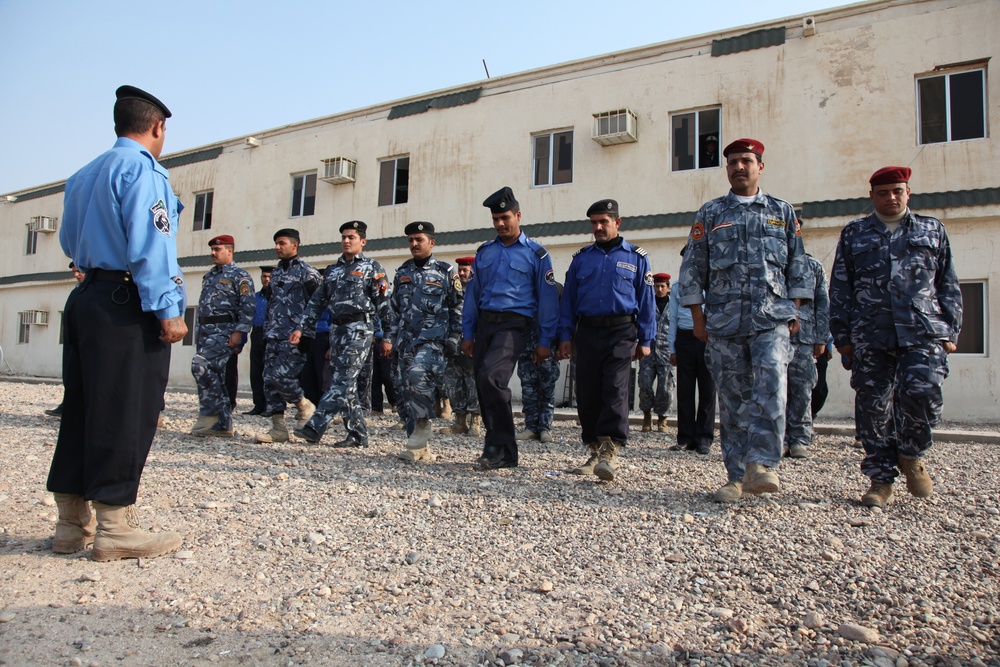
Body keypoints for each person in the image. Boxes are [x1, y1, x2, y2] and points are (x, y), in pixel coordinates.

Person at [47, 85, 186, 561]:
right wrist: (168, 309)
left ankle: (70, 522)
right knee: (125, 410)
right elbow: (152, 245)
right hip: (126, 303)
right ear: (157, 126)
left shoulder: (83, 174)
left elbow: (69, 241)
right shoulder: (145, 171)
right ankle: (114, 527)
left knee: (83, 406)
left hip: (86, 297)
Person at [677, 138, 811, 503]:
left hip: (771, 319)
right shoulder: (711, 213)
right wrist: (697, 317)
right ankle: (736, 476)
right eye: (733, 161)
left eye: (747, 161)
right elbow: (693, 268)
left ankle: (763, 465)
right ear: (727, 169)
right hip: (724, 322)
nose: (739, 167)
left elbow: (798, 264)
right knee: (734, 403)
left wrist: (795, 308)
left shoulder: (781, 212)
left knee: (772, 386)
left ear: (760, 167)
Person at [829, 166, 962, 508]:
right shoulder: (855, 233)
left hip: (922, 331)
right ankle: (880, 478)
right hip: (870, 332)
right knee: (872, 406)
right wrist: (841, 335)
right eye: (884, 192)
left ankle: (911, 453)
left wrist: (951, 329)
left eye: (897, 191)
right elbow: (841, 286)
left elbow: (947, 282)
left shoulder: (931, 230)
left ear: (908, 193)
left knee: (924, 392)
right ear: (872, 196)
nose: (891, 198)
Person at [557, 199, 656, 482]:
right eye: (594, 222)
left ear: (617, 222)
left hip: (621, 332)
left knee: (615, 389)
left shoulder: (637, 257)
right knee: (587, 393)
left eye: (604, 221)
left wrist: (646, 338)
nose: (598, 227)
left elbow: (646, 301)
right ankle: (593, 448)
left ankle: (609, 450)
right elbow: (569, 303)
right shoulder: (581, 259)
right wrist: (565, 336)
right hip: (586, 332)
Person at [461, 187, 559, 470]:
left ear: (518, 215)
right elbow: (473, 295)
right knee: (482, 380)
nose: (501, 224)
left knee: (492, 377)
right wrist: (468, 333)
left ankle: (499, 445)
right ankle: (500, 449)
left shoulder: (537, 254)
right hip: (485, 324)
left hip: (515, 324)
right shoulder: (485, 252)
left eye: (505, 217)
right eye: (495, 219)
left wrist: (545, 340)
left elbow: (548, 300)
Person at [292, 221, 392, 447]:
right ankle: (357, 435)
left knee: (342, 380)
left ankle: (315, 426)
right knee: (345, 385)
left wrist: (387, 336)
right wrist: (302, 328)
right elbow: (316, 303)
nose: (346, 241)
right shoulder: (333, 271)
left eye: (352, 237)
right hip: (336, 331)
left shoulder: (372, 268)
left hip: (360, 329)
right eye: (344, 237)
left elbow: (384, 304)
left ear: (362, 242)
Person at [385, 222, 463, 461]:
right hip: (405, 342)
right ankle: (420, 448)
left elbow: (458, 306)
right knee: (403, 389)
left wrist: (454, 337)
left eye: (419, 239)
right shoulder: (402, 272)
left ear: (432, 242)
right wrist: (389, 338)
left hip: (433, 341)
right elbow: (394, 310)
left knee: (418, 377)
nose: (414, 244)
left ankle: (421, 427)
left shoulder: (445, 271)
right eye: (410, 240)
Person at [255, 229, 321, 443]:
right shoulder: (275, 274)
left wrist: (306, 332)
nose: (277, 247)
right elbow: (271, 305)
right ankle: (278, 428)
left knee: (281, 377)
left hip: (294, 335)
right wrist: (266, 330)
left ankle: (304, 405)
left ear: (295, 245)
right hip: (273, 334)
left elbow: (318, 304)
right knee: (268, 380)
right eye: (276, 243)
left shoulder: (307, 273)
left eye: (282, 243)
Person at [190, 235, 255, 437]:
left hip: (224, 331)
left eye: (217, 249)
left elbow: (248, 307)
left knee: (199, 365)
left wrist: (240, 332)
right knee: (216, 375)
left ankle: (208, 412)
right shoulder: (208, 276)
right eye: (212, 249)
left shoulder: (240, 276)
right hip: (206, 331)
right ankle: (223, 424)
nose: (213, 253)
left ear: (230, 251)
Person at [783, 251, 829, 458]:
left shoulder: (813, 266)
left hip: (804, 338)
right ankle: (779, 437)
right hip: (773, 336)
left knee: (802, 388)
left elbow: (823, 303)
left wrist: (822, 338)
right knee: (775, 389)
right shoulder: (770, 262)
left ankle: (800, 438)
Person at [667, 268, 716, 454]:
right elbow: (672, 319)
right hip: (685, 338)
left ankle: (704, 438)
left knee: (708, 390)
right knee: (685, 390)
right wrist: (672, 348)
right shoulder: (678, 287)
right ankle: (685, 438)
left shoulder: (712, 285)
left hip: (708, 338)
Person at [516, 281, 562, 444]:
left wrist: (562, 343)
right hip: (525, 347)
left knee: (547, 389)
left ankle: (545, 428)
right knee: (528, 389)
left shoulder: (555, 288)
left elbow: (563, 317)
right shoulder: (522, 287)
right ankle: (531, 428)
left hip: (548, 347)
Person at [44, 262, 87, 418]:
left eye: (79, 271)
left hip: (86, 343)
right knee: (71, 376)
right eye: (74, 272)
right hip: (72, 343)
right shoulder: (78, 290)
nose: (76, 275)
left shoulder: (92, 291)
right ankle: (67, 406)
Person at [445, 256, 481, 436]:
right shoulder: (452, 291)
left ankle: (475, 421)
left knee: (472, 381)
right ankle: (459, 420)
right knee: (453, 381)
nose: (461, 273)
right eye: (459, 269)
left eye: (465, 270)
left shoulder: (479, 291)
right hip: (452, 344)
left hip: (471, 342)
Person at [638, 273, 673, 433]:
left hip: (667, 352)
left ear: (668, 287)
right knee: (645, 385)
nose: (659, 289)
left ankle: (662, 419)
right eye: (656, 286)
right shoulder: (647, 304)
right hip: (648, 351)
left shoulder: (674, 305)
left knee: (665, 388)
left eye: (662, 286)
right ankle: (647, 415)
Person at [244, 266, 273, 415]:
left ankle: (271, 406)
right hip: (256, 334)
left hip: (271, 336)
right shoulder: (255, 297)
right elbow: (246, 317)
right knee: (256, 371)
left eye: (269, 276)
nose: (266, 279)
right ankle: (258, 404)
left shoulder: (277, 297)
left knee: (270, 372)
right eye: (264, 276)